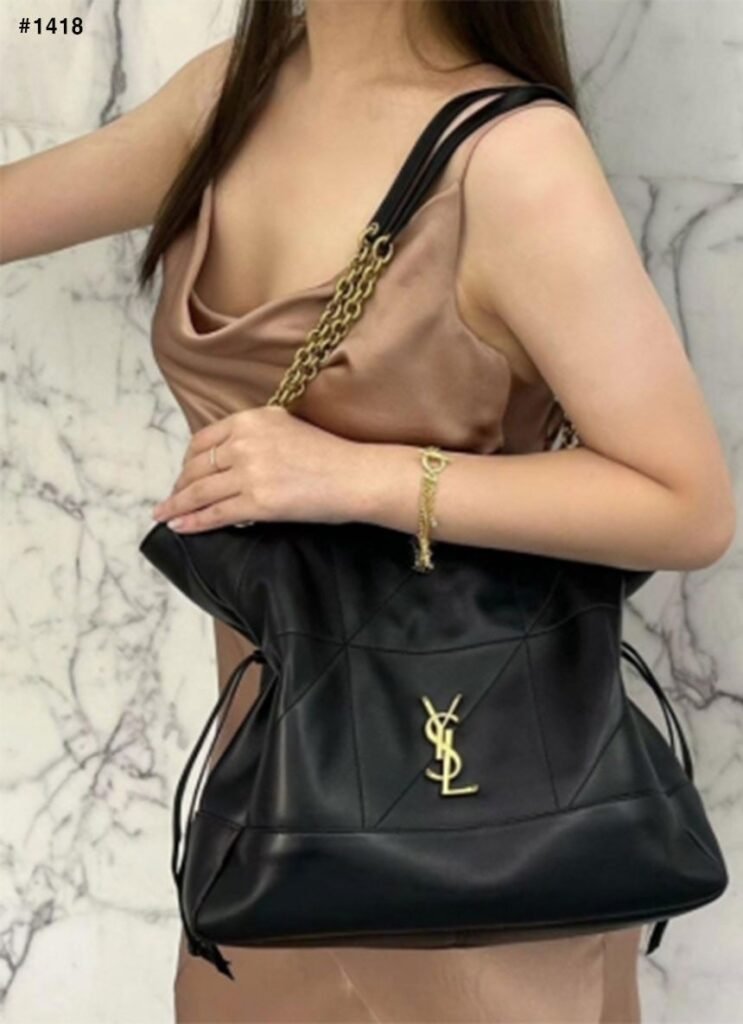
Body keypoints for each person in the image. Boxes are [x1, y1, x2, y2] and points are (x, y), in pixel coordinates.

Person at [2, 1, 735, 1021]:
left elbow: (686, 504)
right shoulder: (232, 95)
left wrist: (356, 477)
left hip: (480, 858)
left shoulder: (512, 160)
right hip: (269, 832)